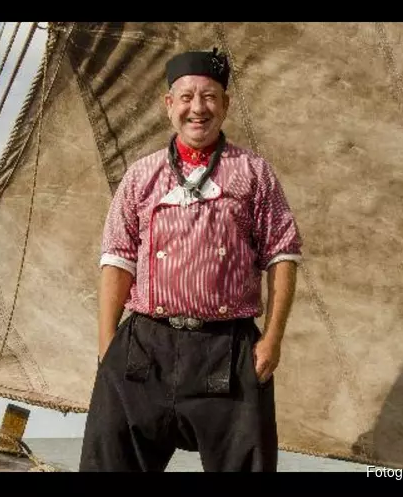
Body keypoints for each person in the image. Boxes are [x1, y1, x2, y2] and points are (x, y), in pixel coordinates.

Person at [78, 47, 303, 472]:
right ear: (169, 105)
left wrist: (272, 339)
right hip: (143, 347)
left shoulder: (255, 173)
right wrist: (108, 348)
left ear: (225, 104)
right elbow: (117, 260)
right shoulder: (140, 176)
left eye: (210, 97)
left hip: (228, 350)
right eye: (186, 97)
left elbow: (283, 254)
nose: (197, 108)